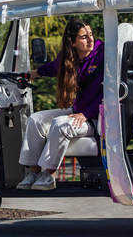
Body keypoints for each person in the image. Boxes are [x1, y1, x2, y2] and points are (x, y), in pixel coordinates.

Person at [16, 19, 104, 191]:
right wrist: (36, 73)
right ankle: (34, 173)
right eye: (84, 37)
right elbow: (54, 67)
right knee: (35, 119)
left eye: (91, 35)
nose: (90, 40)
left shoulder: (102, 54)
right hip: (78, 112)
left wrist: (85, 114)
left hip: (94, 118)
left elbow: (106, 93)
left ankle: (49, 175)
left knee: (61, 123)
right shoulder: (68, 57)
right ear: (73, 42)